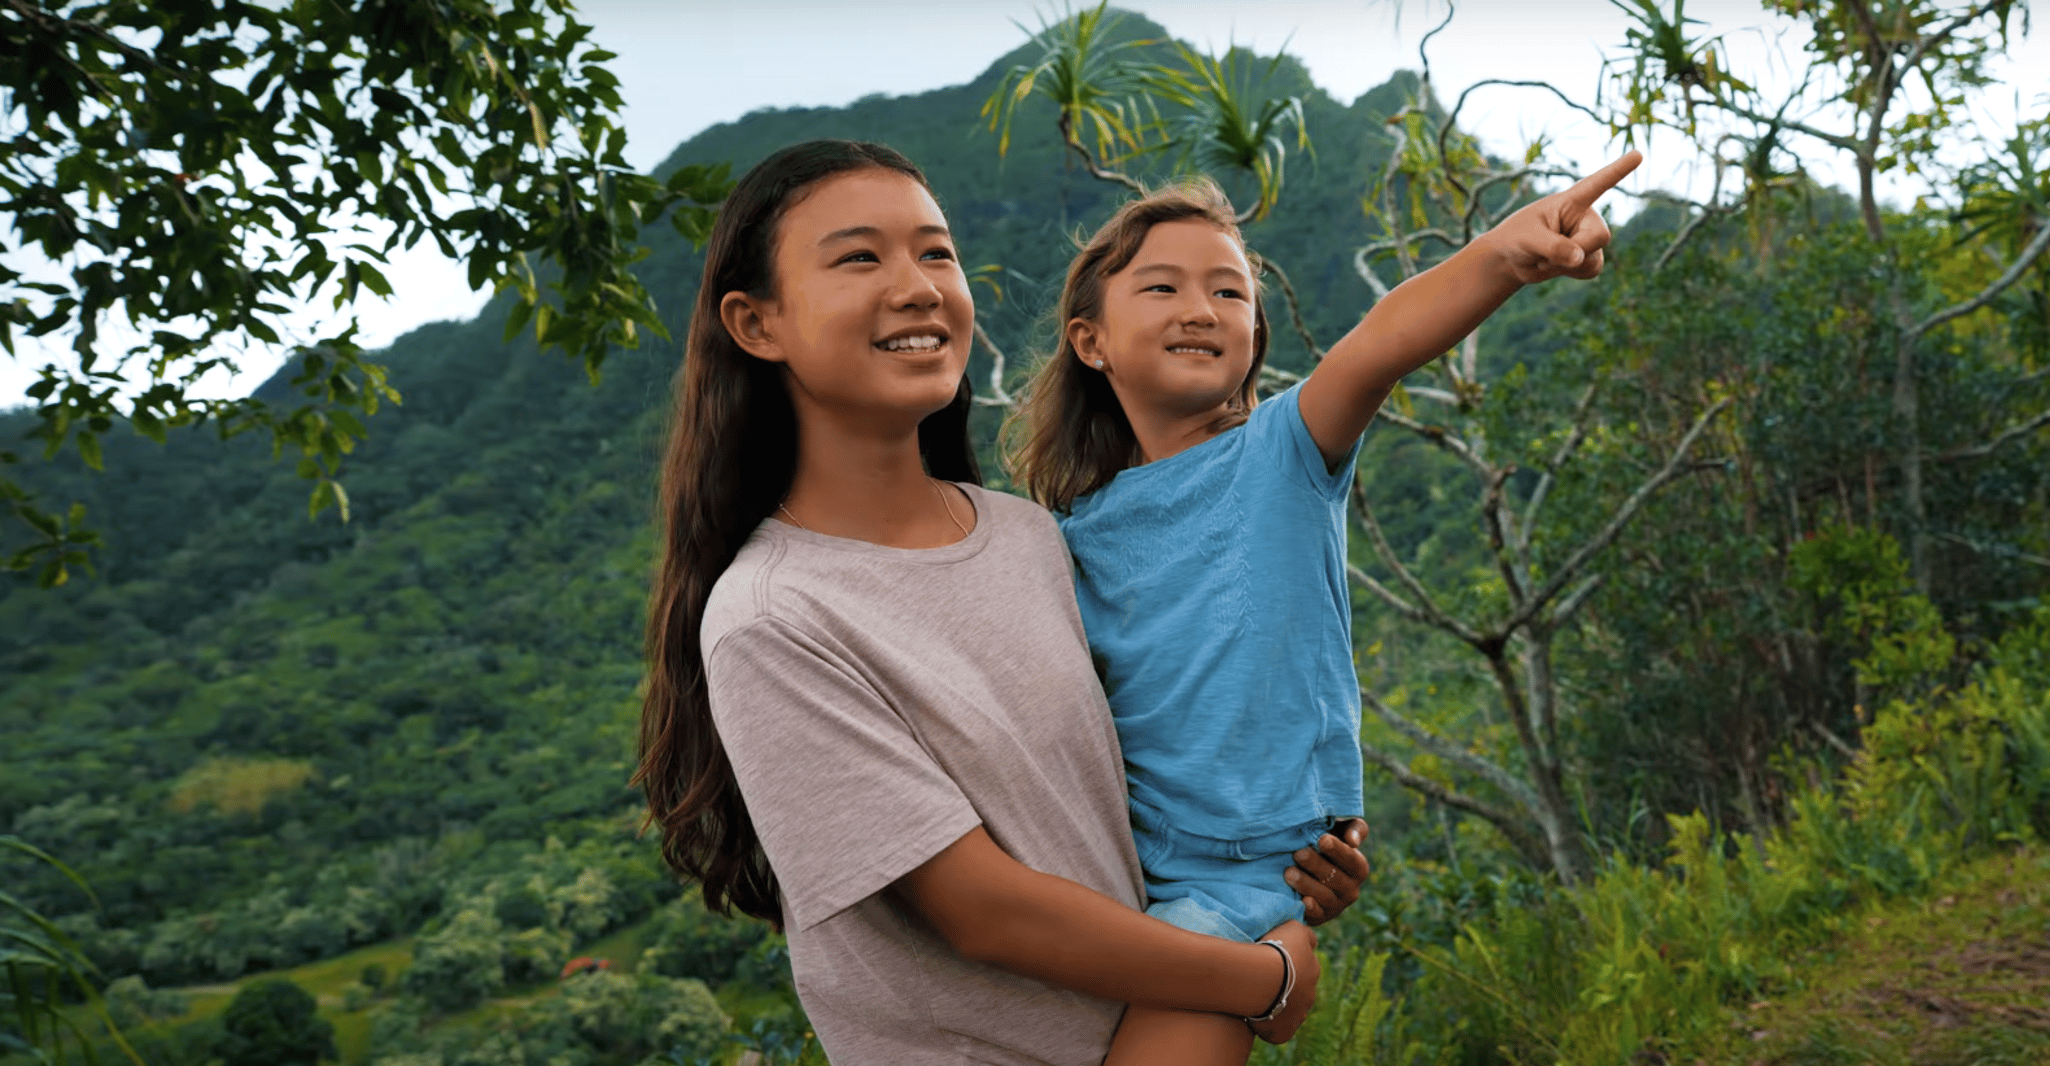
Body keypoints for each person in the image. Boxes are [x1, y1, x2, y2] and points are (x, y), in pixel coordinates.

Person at [631, 139, 1371, 1066]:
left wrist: (1288, 848)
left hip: (1170, 1025)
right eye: (861, 257)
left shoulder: (1029, 538)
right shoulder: (775, 618)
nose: (917, 286)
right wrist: (1265, 979)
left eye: (936, 253)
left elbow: (1157, 753)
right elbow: (982, 912)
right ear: (756, 322)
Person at [1008, 153, 1643, 1064]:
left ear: (1255, 336)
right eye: (1161, 287)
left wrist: (1508, 251)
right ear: (1089, 339)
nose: (1201, 308)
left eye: (1230, 293)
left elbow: (1383, 339)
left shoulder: (1283, 455)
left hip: (1237, 885)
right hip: (1109, 874)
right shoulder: (1067, 533)